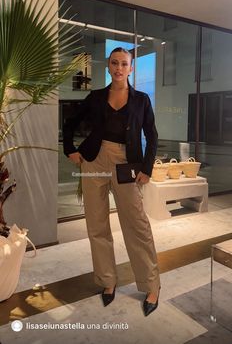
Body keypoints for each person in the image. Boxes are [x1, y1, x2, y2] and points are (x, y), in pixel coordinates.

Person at [63, 47, 161, 316]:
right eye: (114, 63)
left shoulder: (141, 100)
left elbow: (151, 136)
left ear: (131, 69)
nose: (119, 68)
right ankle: (107, 281)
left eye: (124, 64)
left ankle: (151, 285)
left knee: (137, 224)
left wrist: (147, 168)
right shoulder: (95, 97)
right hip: (95, 159)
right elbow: (70, 122)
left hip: (127, 164)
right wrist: (70, 149)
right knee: (97, 224)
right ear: (108, 67)